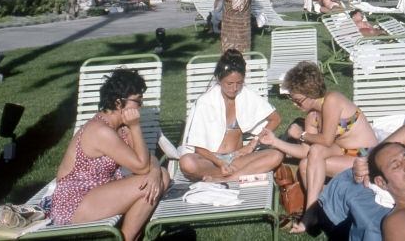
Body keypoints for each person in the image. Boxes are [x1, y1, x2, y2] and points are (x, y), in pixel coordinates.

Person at [258, 61, 378, 233]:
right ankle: (320, 212)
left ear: (311, 93)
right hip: (344, 154)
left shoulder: (332, 100)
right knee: (308, 161)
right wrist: (275, 142)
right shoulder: (312, 116)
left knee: (314, 156)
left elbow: (327, 140)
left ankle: (313, 213)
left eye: (298, 100)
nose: (294, 104)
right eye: (292, 99)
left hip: (365, 156)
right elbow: (305, 152)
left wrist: (300, 135)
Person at [49, 69, 169, 238]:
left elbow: (149, 160)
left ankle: (129, 237)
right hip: (75, 201)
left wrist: (155, 171)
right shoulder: (101, 131)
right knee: (150, 181)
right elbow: (142, 168)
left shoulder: (120, 128)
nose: (140, 107)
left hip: (99, 191)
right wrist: (135, 127)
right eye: (137, 101)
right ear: (119, 103)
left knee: (161, 176)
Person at [179, 49, 283, 181]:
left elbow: (275, 119)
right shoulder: (205, 102)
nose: (234, 88)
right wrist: (220, 162)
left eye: (239, 83)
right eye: (229, 83)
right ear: (219, 79)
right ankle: (236, 174)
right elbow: (198, 147)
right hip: (211, 160)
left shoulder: (247, 96)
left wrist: (251, 145)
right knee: (186, 162)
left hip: (237, 158)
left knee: (276, 155)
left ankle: (225, 178)